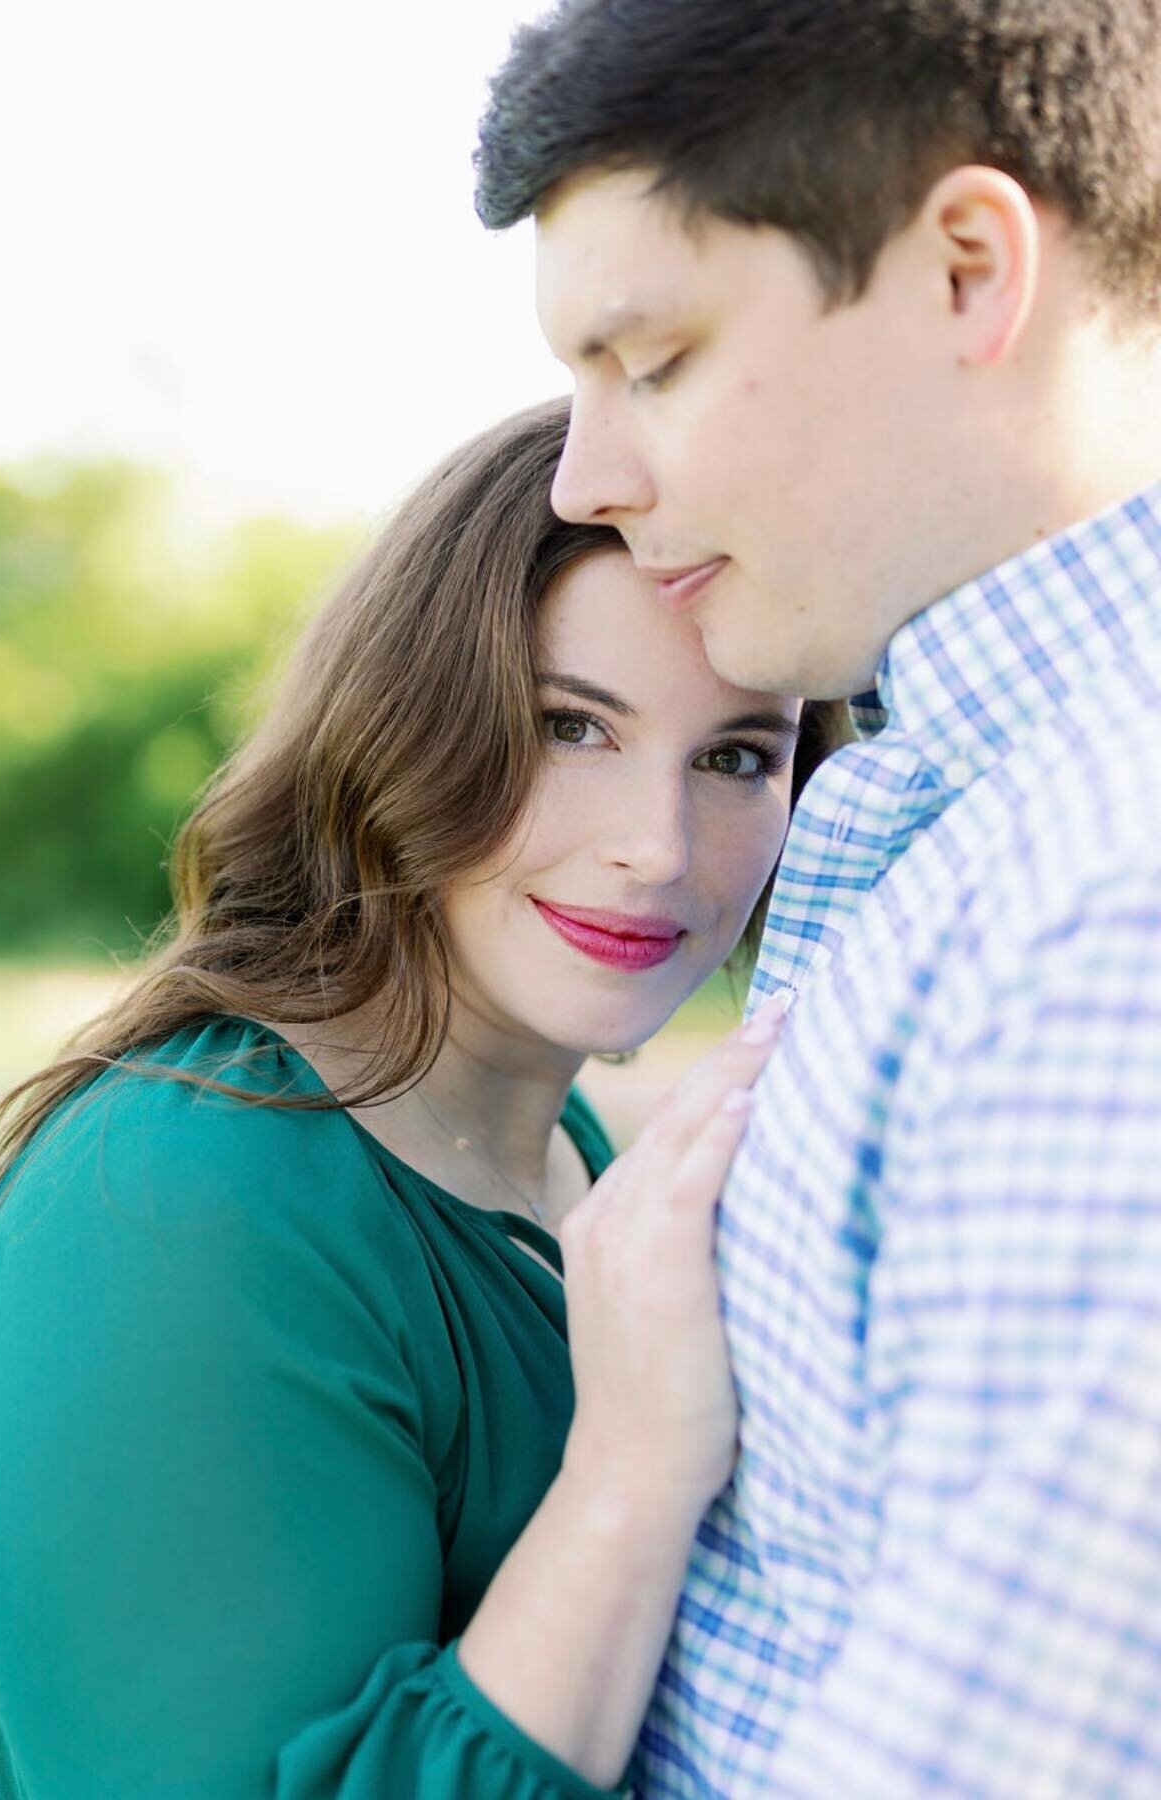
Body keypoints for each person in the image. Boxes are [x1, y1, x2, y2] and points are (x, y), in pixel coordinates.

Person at [0, 398, 845, 1796]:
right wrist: (632, 1475)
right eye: (571, 726)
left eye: (740, 756)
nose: (657, 847)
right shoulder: (185, 1199)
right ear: (409, 728)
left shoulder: (553, 1146)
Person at [473, 4, 1161, 1796]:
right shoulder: (978, 812)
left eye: (655, 358)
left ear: (963, 273)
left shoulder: (1114, 914)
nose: (584, 479)